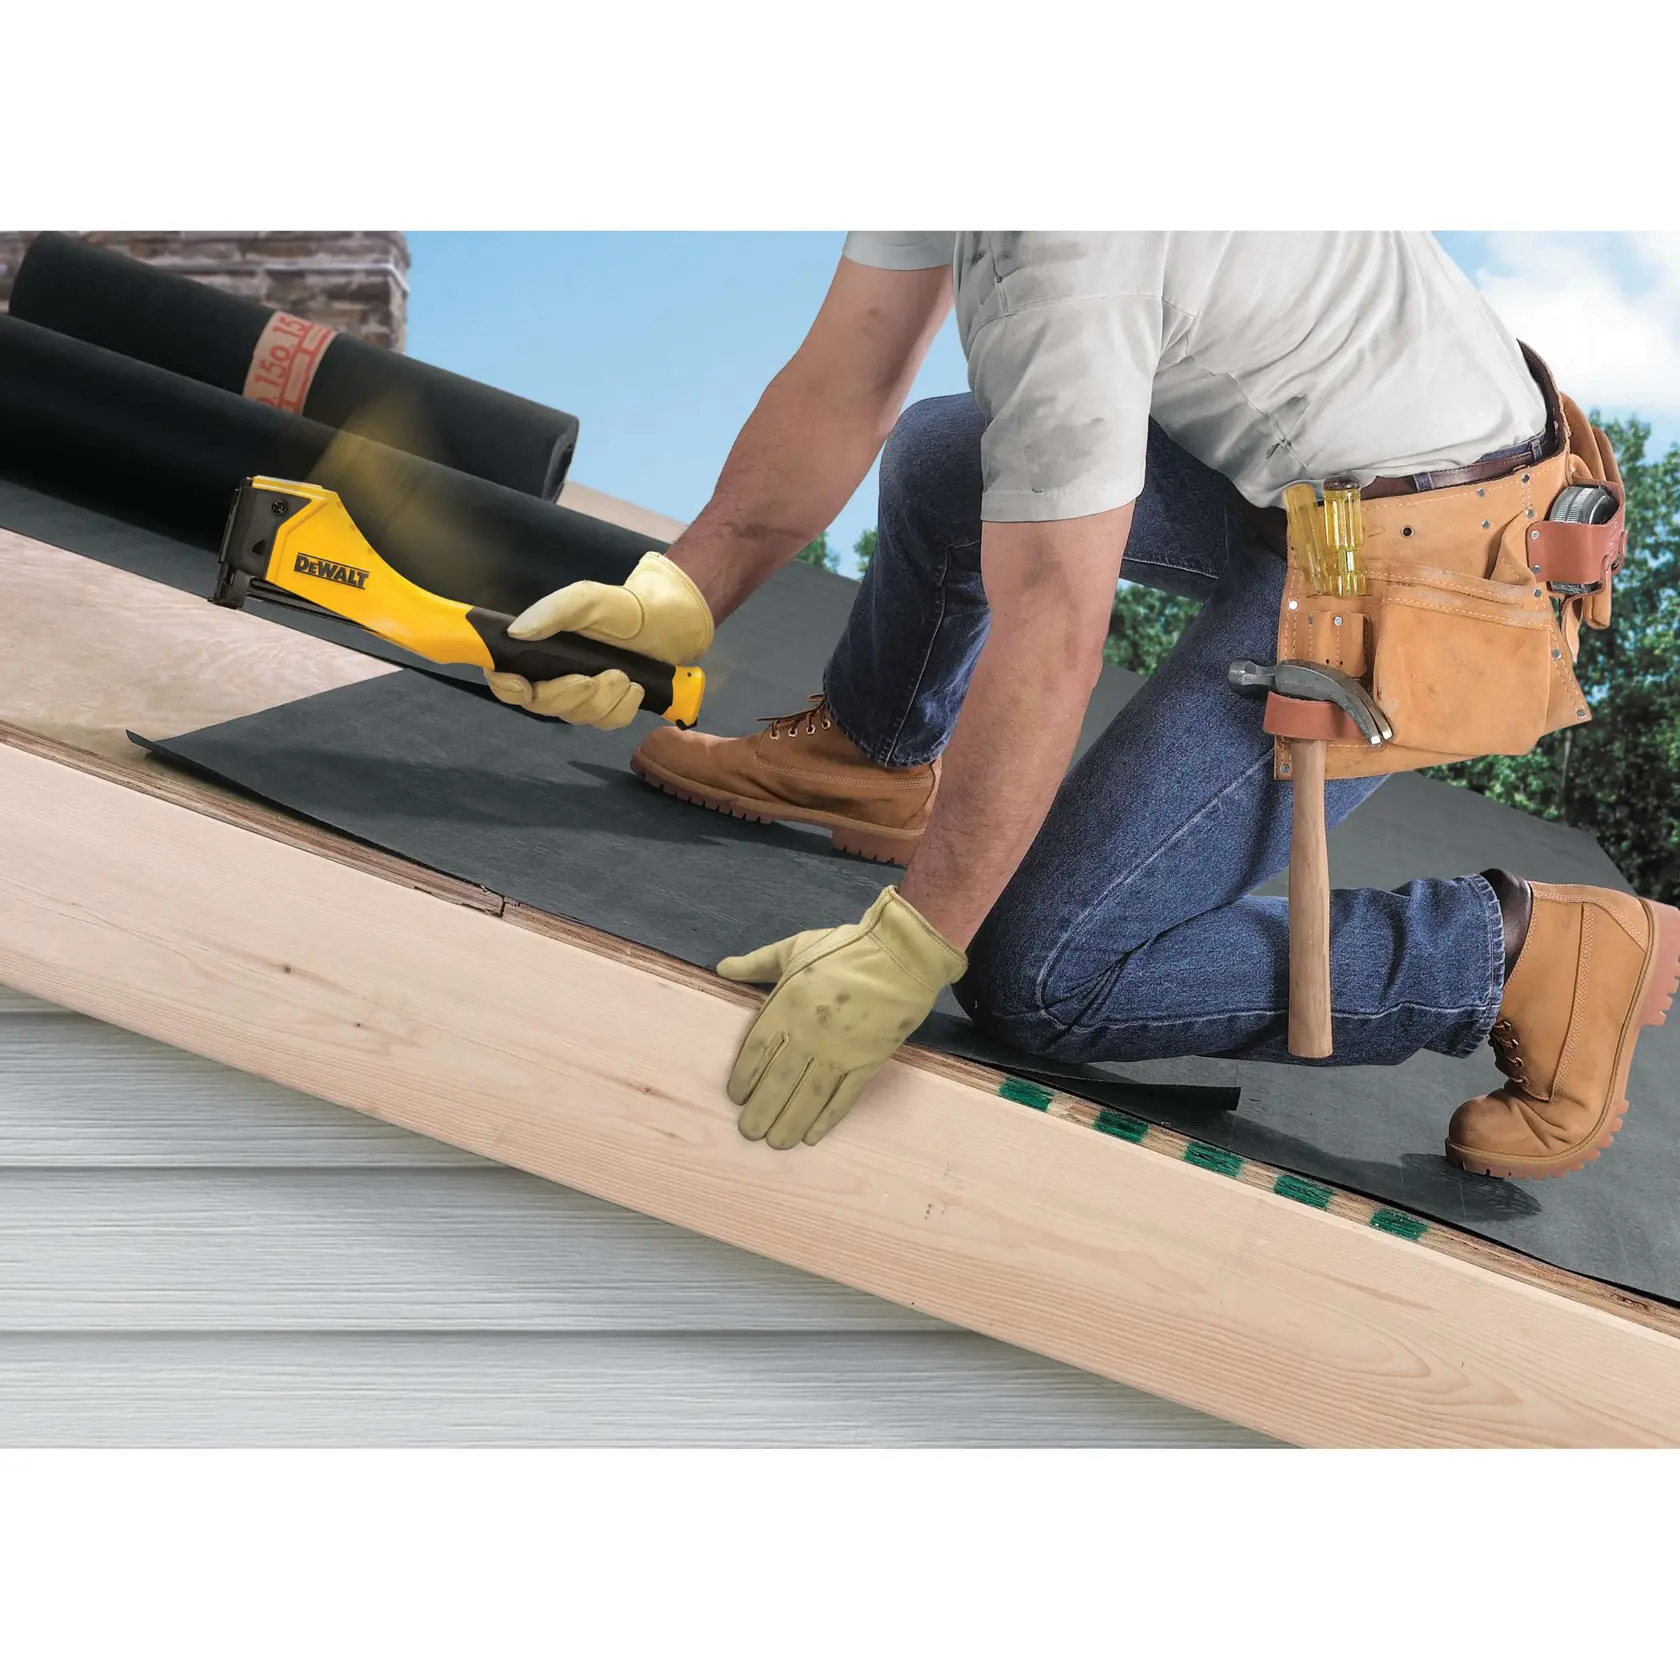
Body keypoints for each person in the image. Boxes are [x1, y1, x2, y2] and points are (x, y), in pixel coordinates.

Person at [487, 233, 1679, 1177]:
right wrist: (683, 590)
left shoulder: (1072, 236)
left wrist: (917, 936)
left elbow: (1054, 616)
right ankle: (876, 750)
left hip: (1436, 562)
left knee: (1044, 973)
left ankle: (1524, 951)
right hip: (1338, 474)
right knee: (953, 457)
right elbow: (847, 375)